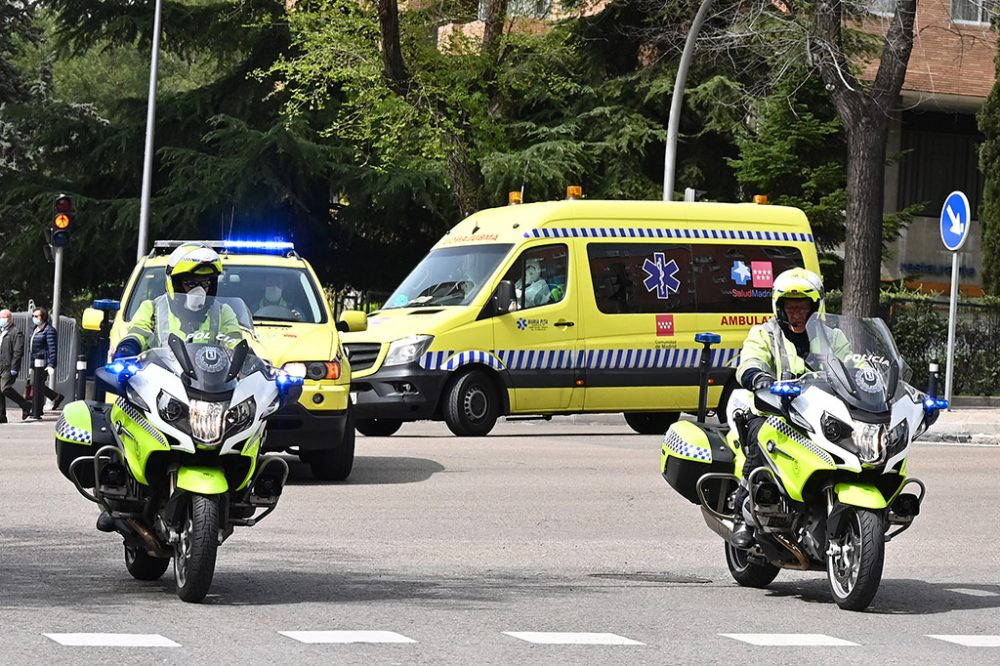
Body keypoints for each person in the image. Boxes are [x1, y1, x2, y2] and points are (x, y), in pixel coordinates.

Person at [730, 267, 826, 548]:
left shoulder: (831, 336)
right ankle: (742, 513)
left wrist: (869, 374)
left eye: (803, 307)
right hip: (772, 411)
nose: (797, 314)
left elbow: (853, 362)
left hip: (817, 412)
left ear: (814, 307)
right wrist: (759, 377)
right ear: (780, 308)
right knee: (763, 438)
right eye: (791, 307)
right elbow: (750, 361)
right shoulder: (765, 334)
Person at [114, 242, 243, 357]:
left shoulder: (222, 312)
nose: (199, 291)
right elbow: (138, 332)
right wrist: (128, 347)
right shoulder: (152, 309)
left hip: (207, 381)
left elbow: (233, 340)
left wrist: (245, 355)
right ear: (175, 284)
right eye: (191, 284)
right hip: (161, 380)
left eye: (205, 284)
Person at [29, 307, 65, 413]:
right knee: (35, 384)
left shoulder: (49, 330)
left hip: (43, 362)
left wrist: (50, 364)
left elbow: (52, 348)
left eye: (36, 316)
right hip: (35, 361)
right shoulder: (35, 329)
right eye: (33, 316)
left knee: (37, 384)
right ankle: (55, 397)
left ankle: (37, 410)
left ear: (43, 317)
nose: (34, 318)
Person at [0, 309, 31, 422]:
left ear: (10, 319)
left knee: (5, 388)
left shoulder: (16, 332)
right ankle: (2, 416)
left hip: (8, 366)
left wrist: (14, 367)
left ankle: (26, 405)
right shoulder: (2, 332)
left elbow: (18, 351)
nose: (1, 320)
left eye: (4, 318)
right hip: (0, 365)